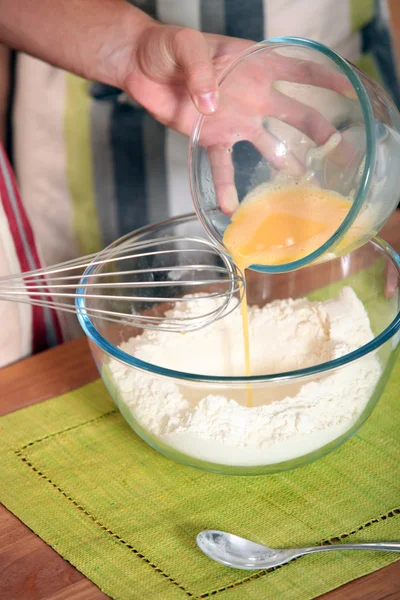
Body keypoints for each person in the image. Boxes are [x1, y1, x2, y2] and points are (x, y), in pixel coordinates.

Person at [0, 0, 398, 368]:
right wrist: (126, 48)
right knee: (90, 355)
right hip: (82, 97)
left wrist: (388, 176)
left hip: (333, 93)